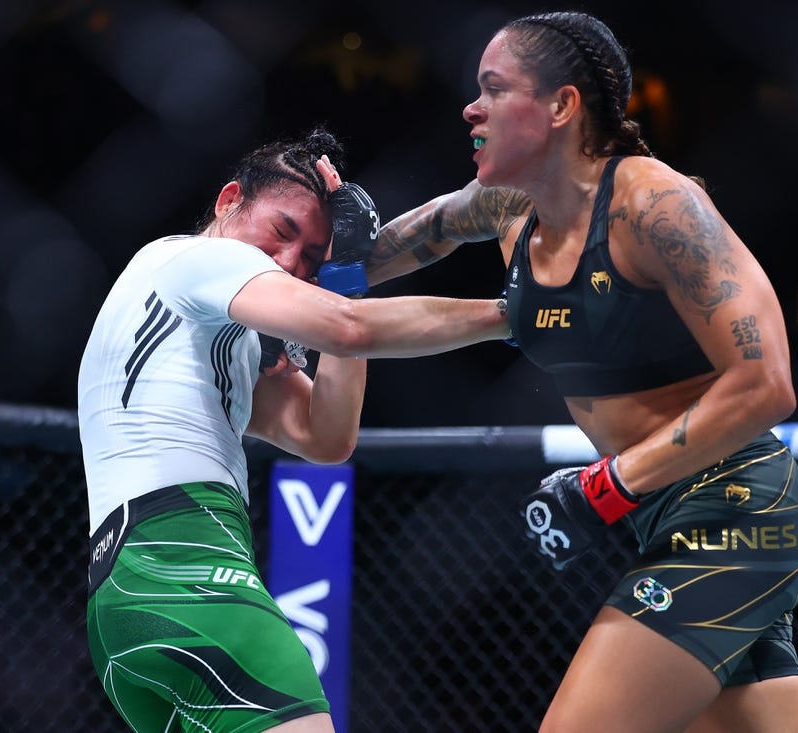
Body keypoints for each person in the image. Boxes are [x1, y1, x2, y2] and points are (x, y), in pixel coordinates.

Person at [367, 11, 798, 733]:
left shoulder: (654, 205)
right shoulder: (511, 208)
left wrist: (609, 486)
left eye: (493, 87)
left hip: (734, 507)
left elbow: (767, 383)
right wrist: (291, 249)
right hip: (659, 518)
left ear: (560, 106)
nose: (470, 107)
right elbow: (391, 248)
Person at [78, 127, 509, 733]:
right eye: (282, 232)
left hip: (121, 599)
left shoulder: (205, 333)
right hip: (183, 556)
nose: (288, 264)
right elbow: (347, 329)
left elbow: (327, 437)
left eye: (312, 258)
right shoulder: (199, 258)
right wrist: (512, 316)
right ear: (231, 200)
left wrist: (350, 274)